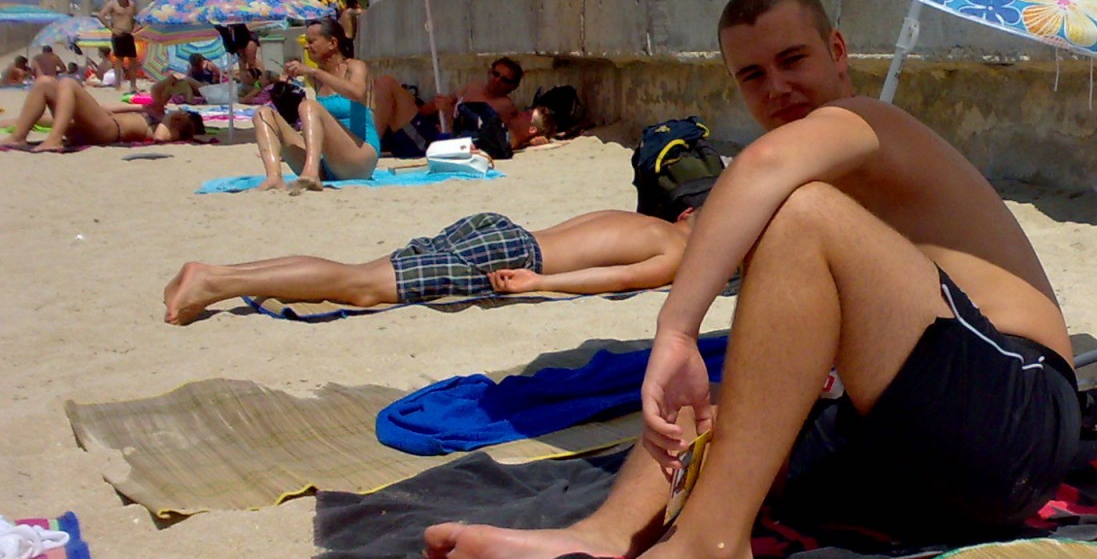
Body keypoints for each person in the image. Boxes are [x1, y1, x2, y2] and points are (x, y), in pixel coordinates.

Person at [423, 0, 1081, 559]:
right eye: (753, 75)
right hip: (904, 442)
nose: (776, 88)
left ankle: (709, 551)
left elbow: (764, 167)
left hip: (1018, 422)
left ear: (838, 51)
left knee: (801, 216)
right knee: (713, 404)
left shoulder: (869, 122)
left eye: (793, 60)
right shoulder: (825, 168)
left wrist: (676, 331)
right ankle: (601, 536)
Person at [162, 206, 696, 325]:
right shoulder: (679, 252)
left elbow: (582, 230)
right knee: (361, 286)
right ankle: (215, 280)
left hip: (499, 229)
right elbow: (619, 279)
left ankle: (222, 273)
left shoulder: (647, 220)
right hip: (514, 255)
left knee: (361, 272)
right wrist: (541, 281)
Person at [252, 18, 379, 192]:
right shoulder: (316, 78)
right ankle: (274, 177)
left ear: (332, 43)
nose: (306, 47)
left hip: (360, 157)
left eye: (311, 42)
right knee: (263, 114)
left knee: (309, 106)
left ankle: (311, 173)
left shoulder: (354, 67)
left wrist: (315, 71)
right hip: (330, 162)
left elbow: (357, 93)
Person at [372, 57, 536, 156]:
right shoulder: (474, 87)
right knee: (386, 83)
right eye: (496, 74)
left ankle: (371, 146)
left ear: (513, 87)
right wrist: (433, 107)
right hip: (430, 130)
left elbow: (471, 139)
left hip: (440, 143)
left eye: (505, 80)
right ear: (489, 72)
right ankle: (373, 140)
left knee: (387, 84)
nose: (497, 80)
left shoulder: (503, 107)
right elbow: (432, 109)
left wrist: (447, 113)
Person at [2, 74, 203, 151]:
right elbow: (104, 109)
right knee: (44, 82)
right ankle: (18, 137)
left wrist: (169, 117)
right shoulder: (156, 113)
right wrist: (140, 107)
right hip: (97, 123)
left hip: (109, 131)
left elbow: (160, 138)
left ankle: (54, 139)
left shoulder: (170, 125)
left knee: (69, 83)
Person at [97, 0, 139, 92]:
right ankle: (117, 84)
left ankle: (133, 85)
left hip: (128, 34)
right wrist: (111, 29)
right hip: (118, 34)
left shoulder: (132, 5)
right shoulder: (113, 4)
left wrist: (134, 29)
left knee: (133, 60)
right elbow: (100, 15)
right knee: (118, 60)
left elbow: (136, 18)